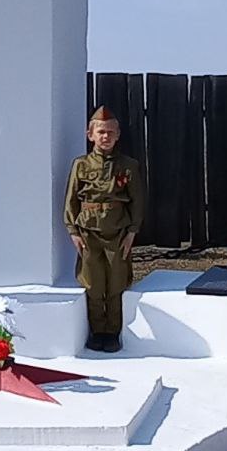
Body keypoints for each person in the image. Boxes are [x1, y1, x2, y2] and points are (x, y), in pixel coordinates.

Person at [63, 105, 145, 353]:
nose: (105, 137)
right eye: (100, 132)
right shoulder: (81, 165)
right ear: (90, 135)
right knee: (93, 283)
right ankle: (97, 331)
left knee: (116, 283)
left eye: (110, 132)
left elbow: (137, 200)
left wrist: (132, 231)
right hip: (89, 233)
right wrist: (73, 230)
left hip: (117, 233)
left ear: (118, 135)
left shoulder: (128, 166)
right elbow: (71, 199)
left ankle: (113, 332)